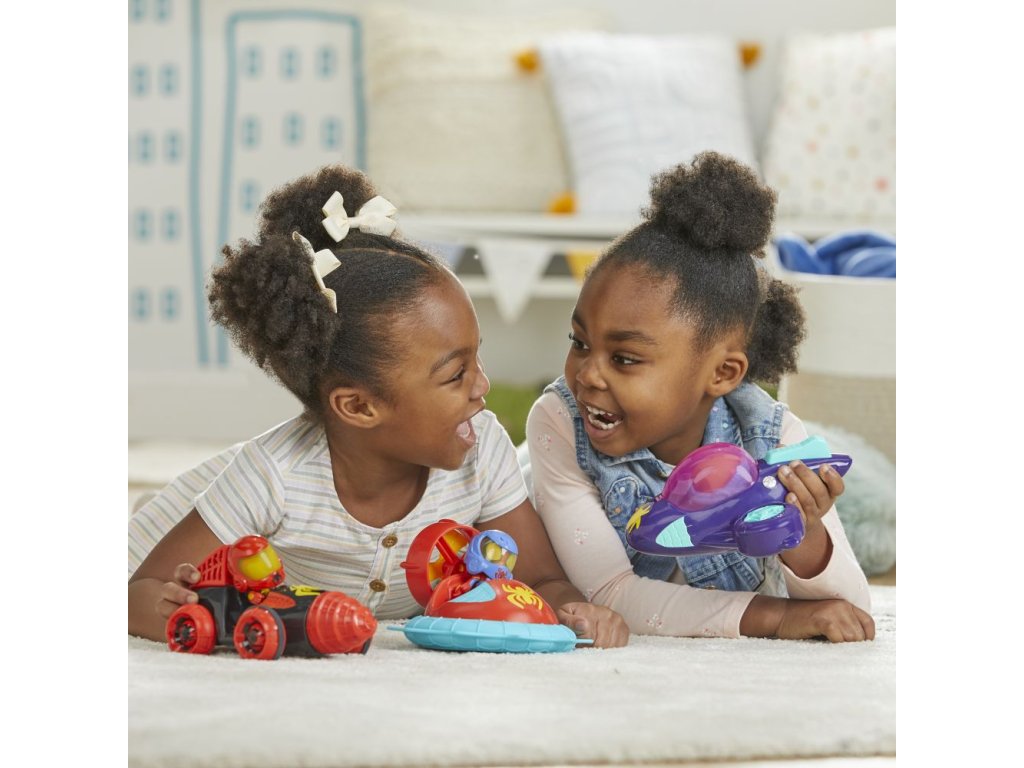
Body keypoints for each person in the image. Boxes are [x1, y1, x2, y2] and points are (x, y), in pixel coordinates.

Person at [128, 164, 629, 649]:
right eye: (456, 374)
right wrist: (206, 617)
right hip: (163, 528)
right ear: (359, 407)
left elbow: (540, 578)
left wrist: (571, 608)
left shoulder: (482, 447)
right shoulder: (270, 478)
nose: (483, 385)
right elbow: (137, 593)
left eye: (477, 358)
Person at [525, 152, 874, 643]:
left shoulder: (772, 436)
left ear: (722, 374)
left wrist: (807, 534)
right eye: (579, 342)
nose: (587, 374)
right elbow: (606, 592)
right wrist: (775, 618)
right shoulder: (560, 422)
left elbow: (851, 612)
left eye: (624, 358)